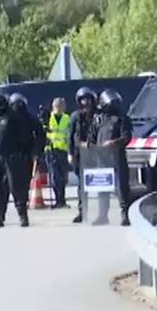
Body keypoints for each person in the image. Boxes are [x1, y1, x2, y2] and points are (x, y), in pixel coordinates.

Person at [0, 88, 31, 228]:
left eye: (0, 100)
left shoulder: (14, 116)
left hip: (11, 157)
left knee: (16, 187)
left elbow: (24, 136)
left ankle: (22, 215)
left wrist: (21, 153)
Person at [93, 90, 133, 226]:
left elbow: (127, 137)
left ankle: (125, 215)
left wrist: (114, 143)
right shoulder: (99, 119)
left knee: (121, 187)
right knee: (102, 187)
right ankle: (103, 215)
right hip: (102, 158)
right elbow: (92, 137)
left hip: (117, 157)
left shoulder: (122, 118)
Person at [69, 87, 98, 224]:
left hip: (96, 152)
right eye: (82, 100)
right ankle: (82, 211)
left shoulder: (98, 115)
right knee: (82, 185)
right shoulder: (75, 116)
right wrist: (70, 154)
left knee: (99, 182)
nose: (85, 102)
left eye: (88, 99)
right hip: (79, 153)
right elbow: (70, 136)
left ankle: (100, 211)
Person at [45, 97, 71, 209]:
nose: (63, 107)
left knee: (63, 177)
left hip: (63, 150)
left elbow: (69, 133)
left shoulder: (67, 118)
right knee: (55, 177)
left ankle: (62, 200)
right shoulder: (47, 118)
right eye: (62, 105)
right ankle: (58, 200)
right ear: (56, 106)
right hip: (51, 150)